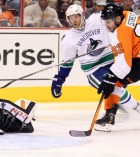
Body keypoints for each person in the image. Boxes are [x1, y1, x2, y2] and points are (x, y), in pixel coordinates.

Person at [51, 4, 140, 132]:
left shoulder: (97, 19)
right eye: (71, 18)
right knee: (113, 87)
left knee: (114, 86)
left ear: (83, 15)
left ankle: (112, 110)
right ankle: (129, 108)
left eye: (77, 16)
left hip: (111, 61)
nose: (74, 20)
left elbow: (114, 19)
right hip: (94, 69)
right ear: (67, 19)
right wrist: (59, 79)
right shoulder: (68, 40)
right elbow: (67, 63)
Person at [97, 3, 140, 131]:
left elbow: (124, 65)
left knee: (113, 83)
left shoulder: (121, 33)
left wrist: (109, 78)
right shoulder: (128, 14)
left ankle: (108, 119)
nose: (106, 25)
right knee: (115, 82)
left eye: (108, 22)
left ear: (117, 19)